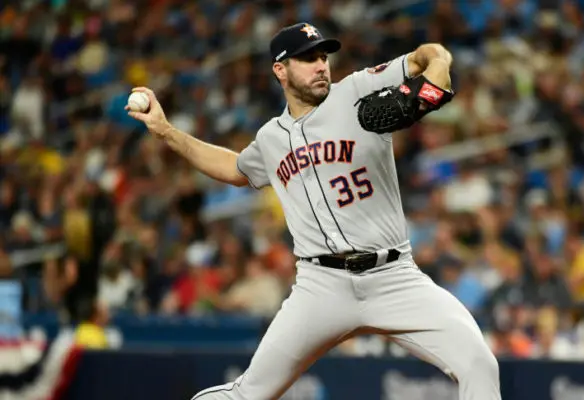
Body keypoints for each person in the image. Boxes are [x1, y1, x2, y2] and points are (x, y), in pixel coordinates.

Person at [126, 22, 500, 400]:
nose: (321, 65)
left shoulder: (356, 89)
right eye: (308, 59)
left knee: (479, 364)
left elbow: (431, 54)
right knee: (245, 394)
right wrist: (166, 132)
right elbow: (235, 169)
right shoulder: (271, 138)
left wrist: (435, 72)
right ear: (280, 70)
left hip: (394, 276)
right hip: (321, 288)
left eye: (323, 56)